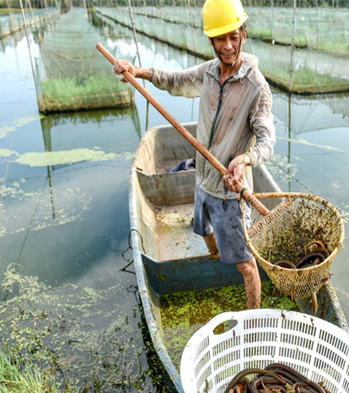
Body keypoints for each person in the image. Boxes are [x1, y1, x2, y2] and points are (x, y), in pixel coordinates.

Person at [113, 0, 275, 309]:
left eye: (233, 36)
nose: (227, 46)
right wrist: (138, 72)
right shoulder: (210, 73)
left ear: (243, 32)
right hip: (202, 179)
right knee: (203, 229)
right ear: (211, 40)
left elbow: (266, 141)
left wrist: (243, 160)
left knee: (246, 265)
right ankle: (215, 260)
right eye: (219, 38)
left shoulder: (257, 87)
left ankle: (253, 321)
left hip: (231, 194)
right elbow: (174, 80)